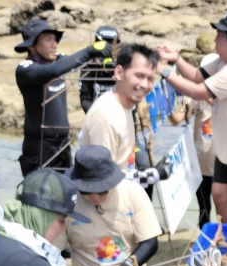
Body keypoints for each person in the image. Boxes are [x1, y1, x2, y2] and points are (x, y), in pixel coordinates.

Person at [157, 13, 227, 224]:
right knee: (220, 197)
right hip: (225, 150)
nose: (215, 39)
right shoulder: (223, 62)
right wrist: (176, 58)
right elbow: (197, 76)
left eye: (219, 35)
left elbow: (198, 91)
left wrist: (164, 71)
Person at [15, 19, 111, 175]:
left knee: (66, 192)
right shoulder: (26, 70)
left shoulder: (59, 61)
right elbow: (54, 71)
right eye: (48, 39)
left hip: (63, 145)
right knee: (42, 197)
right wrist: (89, 51)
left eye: (55, 39)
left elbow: (72, 62)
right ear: (32, 46)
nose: (54, 44)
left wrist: (102, 58)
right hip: (40, 148)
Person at [79, 43, 159, 176]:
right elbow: (102, 179)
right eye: (139, 76)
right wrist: (150, 176)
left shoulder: (126, 107)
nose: (145, 85)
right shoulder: (105, 117)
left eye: (150, 78)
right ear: (119, 73)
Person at [169, 53, 219, 228]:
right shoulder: (195, 98)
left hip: (224, 159)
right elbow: (178, 118)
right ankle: (205, 237)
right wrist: (165, 105)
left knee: (225, 204)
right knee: (204, 207)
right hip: (202, 159)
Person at [79, 25, 120, 113]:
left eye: (111, 45)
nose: (108, 50)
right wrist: (96, 116)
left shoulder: (124, 64)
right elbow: (85, 98)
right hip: (96, 118)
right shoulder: (89, 66)